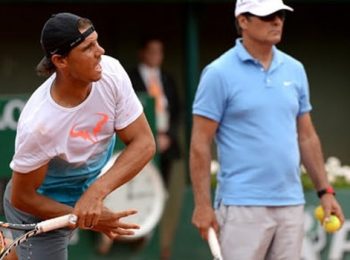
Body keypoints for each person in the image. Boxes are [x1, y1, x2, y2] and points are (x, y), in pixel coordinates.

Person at [189, 0, 345, 259]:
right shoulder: (218, 73)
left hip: (290, 204)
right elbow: (200, 143)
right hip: (242, 205)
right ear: (243, 21)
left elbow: (306, 136)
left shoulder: (295, 70)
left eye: (281, 14)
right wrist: (203, 205)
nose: (277, 21)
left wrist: (325, 191)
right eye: (268, 15)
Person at [3, 12, 156, 260]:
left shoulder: (112, 73)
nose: (101, 51)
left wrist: (95, 194)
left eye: (97, 41)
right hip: (38, 207)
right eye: (88, 47)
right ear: (60, 61)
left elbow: (145, 143)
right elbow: (23, 197)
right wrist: (87, 217)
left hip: (80, 194)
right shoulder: (39, 124)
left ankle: (11, 252)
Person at [128, 36, 181, 188]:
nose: (155, 55)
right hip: (142, 140)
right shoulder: (131, 78)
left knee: (163, 187)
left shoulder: (167, 78)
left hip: (166, 142)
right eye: (151, 51)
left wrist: (168, 136)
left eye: (159, 52)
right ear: (142, 53)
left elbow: (176, 110)